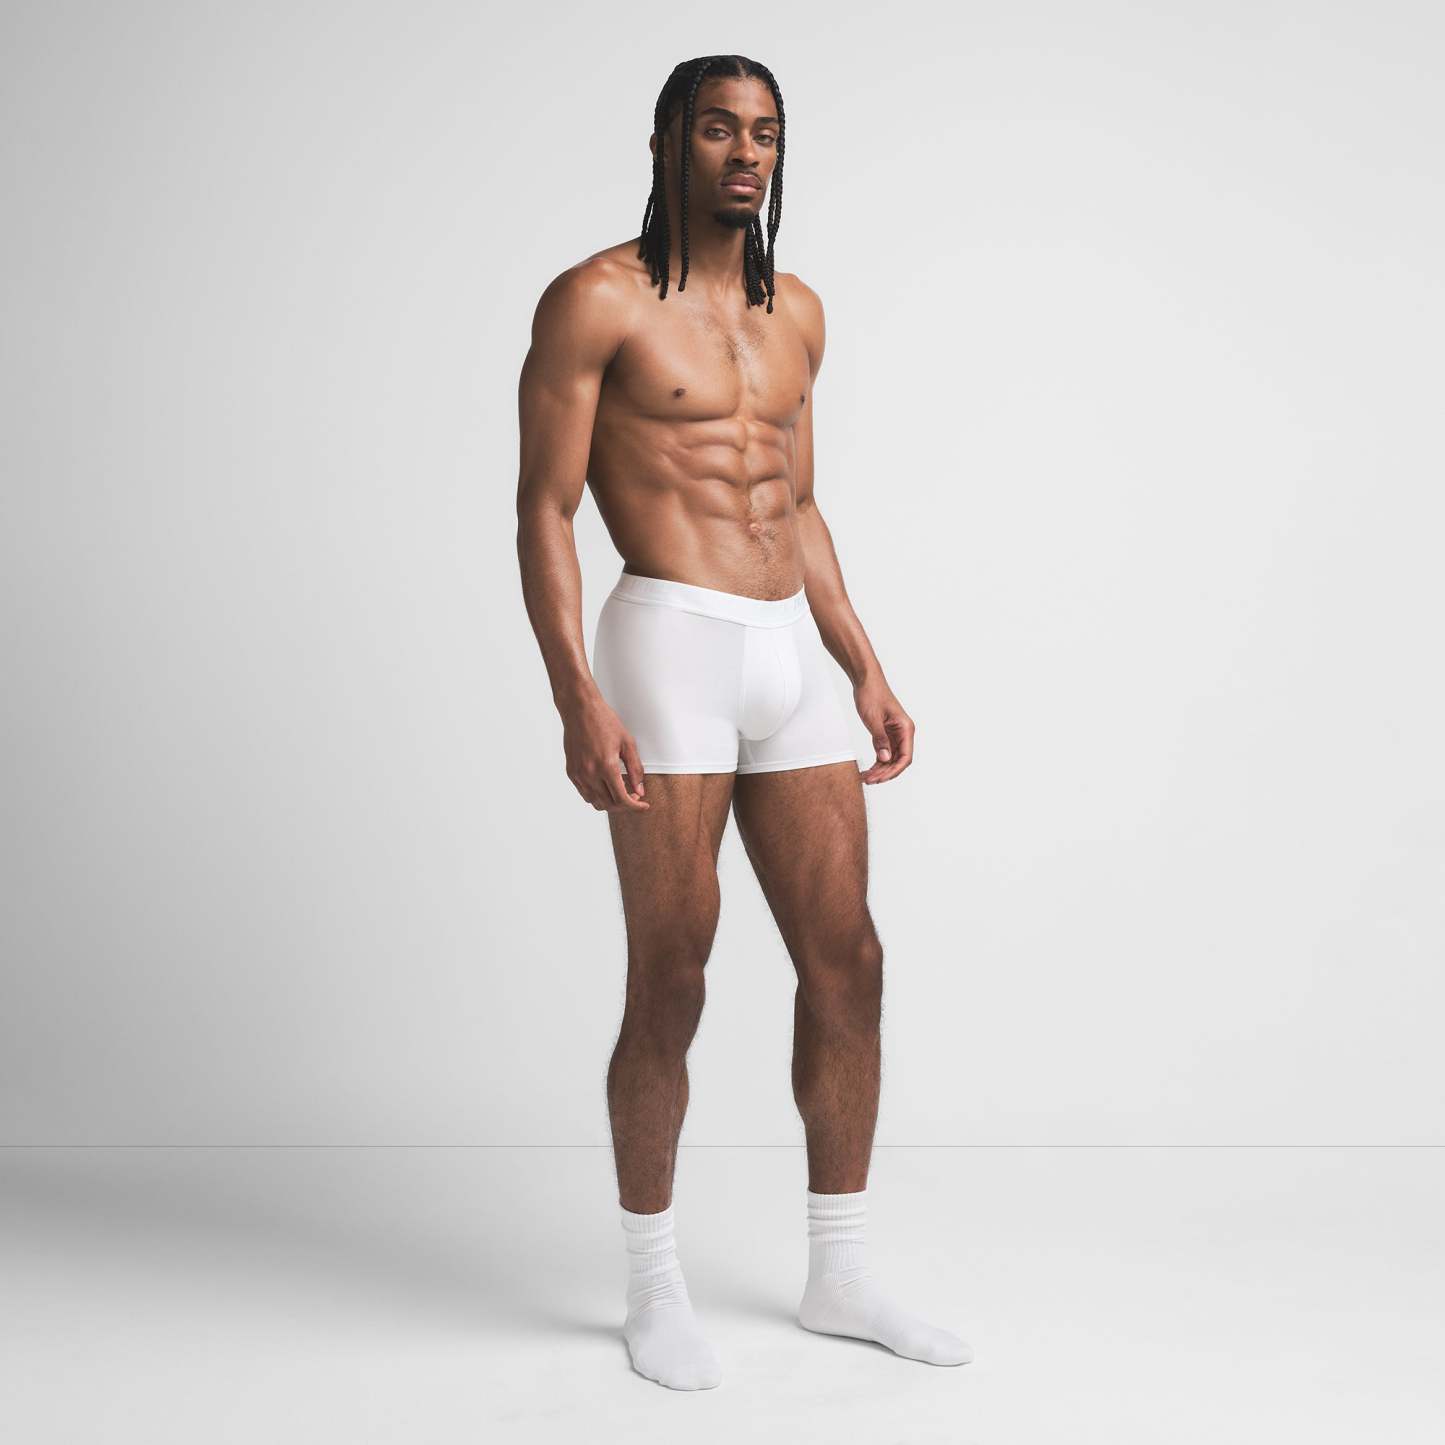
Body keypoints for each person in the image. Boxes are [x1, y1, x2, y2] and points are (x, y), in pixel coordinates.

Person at [515, 53, 971, 1391]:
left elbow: (799, 500)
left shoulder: (796, 312)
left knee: (851, 961)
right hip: (668, 640)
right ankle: (652, 1286)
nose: (744, 153)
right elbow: (544, 507)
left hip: (786, 650)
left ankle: (840, 1273)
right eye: (717, 128)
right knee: (674, 971)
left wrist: (863, 664)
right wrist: (574, 692)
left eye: (763, 132)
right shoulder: (596, 299)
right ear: (666, 140)